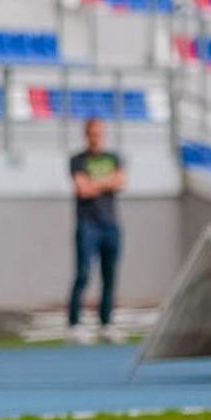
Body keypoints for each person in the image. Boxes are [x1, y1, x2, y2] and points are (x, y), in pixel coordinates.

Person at [68, 117, 126, 345]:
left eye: (99, 133)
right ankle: (75, 324)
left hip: (110, 224)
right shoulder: (78, 160)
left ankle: (106, 323)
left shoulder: (114, 158)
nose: (96, 138)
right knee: (83, 273)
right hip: (87, 224)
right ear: (86, 135)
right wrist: (106, 182)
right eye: (93, 133)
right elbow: (82, 189)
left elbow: (120, 182)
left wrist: (95, 183)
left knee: (109, 275)